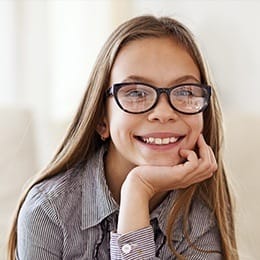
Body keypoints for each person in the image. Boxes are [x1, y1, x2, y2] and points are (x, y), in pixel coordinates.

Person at [8, 15, 239, 259]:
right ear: (101, 119)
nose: (163, 113)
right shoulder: (49, 211)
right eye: (137, 93)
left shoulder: (201, 218)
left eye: (184, 91)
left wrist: (138, 189)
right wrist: (140, 188)